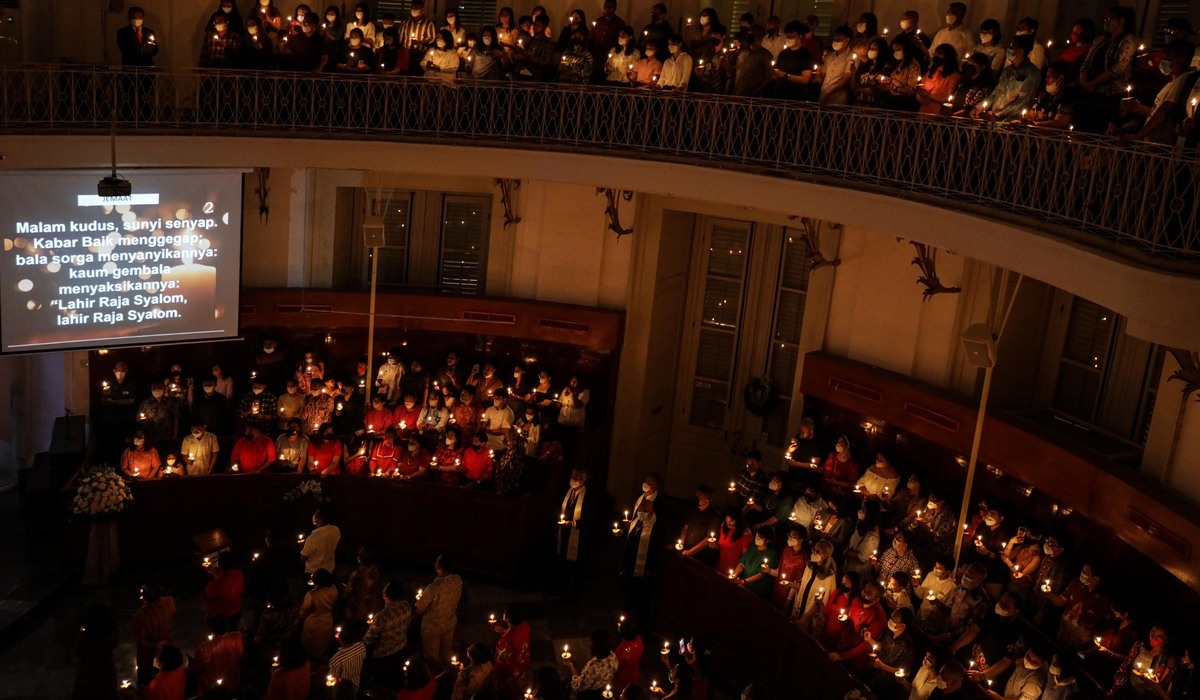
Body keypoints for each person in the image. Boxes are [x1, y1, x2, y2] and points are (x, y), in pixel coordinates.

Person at [1077, 5, 1138, 132]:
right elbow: (1087, 62)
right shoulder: (1100, 40)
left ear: (1121, 20)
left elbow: (1119, 68)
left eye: (1110, 18)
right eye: (1106, 18)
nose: (1106, 21)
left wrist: (1093, 83)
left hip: (1112, 94)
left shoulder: (1129, 40)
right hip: (1092, 91)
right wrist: (1084, 82)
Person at [415, 554, 463, 666]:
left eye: (437, 561)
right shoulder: (457, 579)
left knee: (432, 657)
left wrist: (420, 600)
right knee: (447, 652)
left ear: (439, 567)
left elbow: (418, 609)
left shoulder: (433, 587)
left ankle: (435, 674)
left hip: (432, 627)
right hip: (449, 622)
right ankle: (448, 672)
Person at [364, 580, 412, 689]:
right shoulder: (406, 605)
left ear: (385, 594)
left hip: (384, 653)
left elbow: (369, 639)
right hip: (401, 646)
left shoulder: (382, 616)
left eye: (384, 588)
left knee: (383, 680)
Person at [556, 468, 595, 594]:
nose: (572, 480)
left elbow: (591, 517)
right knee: (562, 561)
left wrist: (574, 523)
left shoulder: (588, 496)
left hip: (579, 535)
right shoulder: (567, 492)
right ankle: (561, 587)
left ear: (583, 480)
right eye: (572, 477)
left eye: (576, 478)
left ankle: (574, 591)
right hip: (564, 532)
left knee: (576, 564)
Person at [72, 605, 118, 700]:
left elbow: (77, 653)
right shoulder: (112, 634)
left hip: (88, 674)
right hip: (107, 671)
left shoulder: (83, 637)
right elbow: (115, 644)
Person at [789, 539, 837, 630]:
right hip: (801, 604)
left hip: (811, 613)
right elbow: (803, 586)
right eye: (814, 550)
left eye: (817, 551)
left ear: (825, 556)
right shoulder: (809, 567)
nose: (814, 553)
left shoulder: (829, 576)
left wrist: (806, 617)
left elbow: (825, 600)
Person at [133, 583, 176, 684]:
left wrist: (155, 645)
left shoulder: (142, 615)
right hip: (167, 647)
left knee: (146, 679)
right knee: (166, 675)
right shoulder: (169, 601)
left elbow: (141, 642)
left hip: (149, 654)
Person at [191, 618, 245, 695]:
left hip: (213, 688)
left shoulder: (205, 648)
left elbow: (195, 669)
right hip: (234, 680)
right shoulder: (237, 637)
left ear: (211, 628)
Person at [492, 606, 532, 697]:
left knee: (510, 691)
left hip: (511, 670)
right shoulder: (525, 625)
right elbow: (515, 636)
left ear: (507, 618)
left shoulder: (504, 640)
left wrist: (493, 671)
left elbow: (501, 661)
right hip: (522, 662)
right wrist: (504, 631)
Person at [770, 21, 816, 100]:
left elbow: (805, 79)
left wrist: (785, 75)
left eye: (791, 35)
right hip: (779, 95)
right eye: (787, 35)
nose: (789, 37)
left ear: (799, 36)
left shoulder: (805, 54)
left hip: (794, 96)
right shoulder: (783, 53)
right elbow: (777, 71)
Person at [680, 485, 722, 567]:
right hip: (686, 548)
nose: (696, 499)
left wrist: (690, 552)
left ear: (707, 501)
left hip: (700, 556)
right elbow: (685, 528)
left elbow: (707, 540)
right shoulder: (693, 509)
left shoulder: (714, 516)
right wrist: (681, 543)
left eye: (699, 498)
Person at [299, 568, 337, 657]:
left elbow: (303, 611)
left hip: (314, 623)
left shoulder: (312, 594)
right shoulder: (334, 589)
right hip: (328, 620)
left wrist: (301, 620)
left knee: (310, 647)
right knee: (322, 643)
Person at [201, 551, 243, 632]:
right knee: (233, 632)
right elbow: (226, 579)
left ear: (219, 565)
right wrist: (214, 572)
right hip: (236, 611)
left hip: (222, 618)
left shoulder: (214, 585)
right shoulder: (239, 574)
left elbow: (207, 598)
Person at [566, 630, 619, 695]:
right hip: (602, 690)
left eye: (591, 642)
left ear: (597, 648)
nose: (589, 643)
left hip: (590, 694)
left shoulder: (592, 668)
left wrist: (570, 665)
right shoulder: (613, 656)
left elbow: (577, 685)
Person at [917, 44, 961, 114]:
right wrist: (919, 97)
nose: (936, 56)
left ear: (948, 57)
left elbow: (948, 100)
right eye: (935, 54)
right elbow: (920, 88)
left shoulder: (954, 76)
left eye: (940, 54)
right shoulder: (931, 72)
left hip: (938, 115)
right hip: (923, 112)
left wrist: (928, 96)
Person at [343, 547, 381, 624]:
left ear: (361, 559)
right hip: (370, 604)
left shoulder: (357, 574)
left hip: (357, 607)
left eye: (359, 556)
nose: (357, 557)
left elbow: (349, 592)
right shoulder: (374, 569)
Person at [733, 25, 774, 97]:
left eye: (753, 34)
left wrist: (755, 91)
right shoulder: (743, 52)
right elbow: (738, 71)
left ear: (760, 38)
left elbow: (769, 77)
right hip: (738, 93)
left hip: (752, 97)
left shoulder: (765, 55)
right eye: (749, 33)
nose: (749, 36)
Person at [733, 527, 775, 598]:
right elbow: (742, 563)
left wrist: (743, 581)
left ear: (767, 540)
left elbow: (761, 574)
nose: (757, 537)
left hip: (757, 589)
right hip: (745, 584)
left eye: (760, 536)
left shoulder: (770, 554)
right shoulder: (752, 547)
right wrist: (735, 574)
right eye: (757, 535)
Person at [300, 509, 340, 575]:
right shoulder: (336, 530)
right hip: (330, 569)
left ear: (318, 518)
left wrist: (302, 546)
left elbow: (303, 557)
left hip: (314, 572)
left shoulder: (312, 538)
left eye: (316, 514)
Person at [328, 626, 367, 692]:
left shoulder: (336, 659)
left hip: (343, 690)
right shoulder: (361, 646)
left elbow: (333, 679)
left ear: (340, 640)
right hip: (356, 683)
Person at [613, 619, 643, 695]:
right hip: (634, 674)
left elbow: (615, 667)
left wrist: (620, 630)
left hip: (622, 680)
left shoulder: (621, 651)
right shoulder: (639, 639)